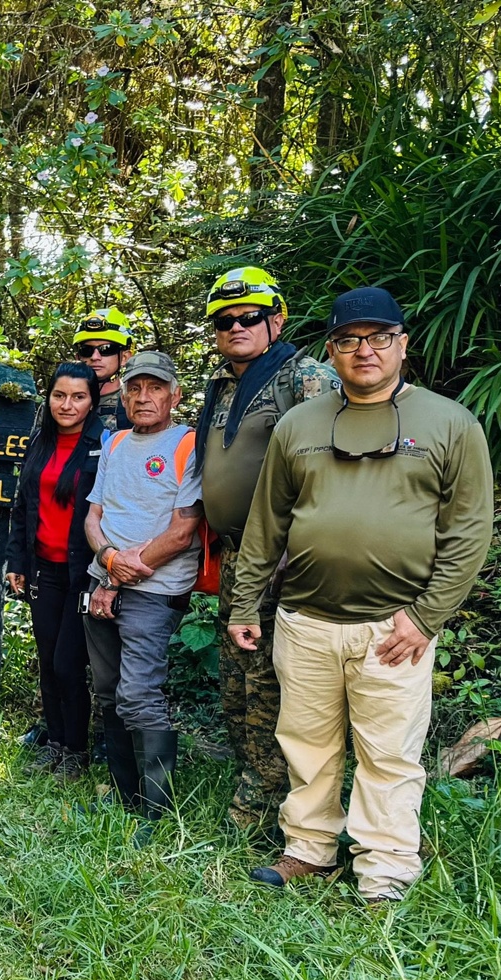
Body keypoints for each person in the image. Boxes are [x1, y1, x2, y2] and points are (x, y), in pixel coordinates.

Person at [229, 287, 494, 902]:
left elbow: (468, 531)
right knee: (307, 743)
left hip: (394, 630)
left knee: (389, 755)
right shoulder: (299, 424)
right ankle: (310, 851)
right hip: (305, 620)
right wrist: (245, 604)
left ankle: (385, 871)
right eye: (350, 340)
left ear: (403, 345)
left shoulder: (451, 423)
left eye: (379, 338)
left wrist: (426, 619)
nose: (364, 350)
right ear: (332, 351)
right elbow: (268, 523)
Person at [192, 267, 340, 832]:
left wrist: (293, 546)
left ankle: (262, 810)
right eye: (224, 320)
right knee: (236, 681)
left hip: (285, 561)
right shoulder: (223, 386)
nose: (236, 327)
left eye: (249, 316)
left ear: (276, 319)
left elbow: (329, 473)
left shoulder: (307, 379)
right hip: (236, 558)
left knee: (270, 686)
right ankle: (249, 783)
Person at [81, 351, 203, 827]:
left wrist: (120, 571)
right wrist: (109, 563)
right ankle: (124, 792)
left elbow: (182, 532)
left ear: (175, 394)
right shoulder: (113, 445)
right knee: (109, 689)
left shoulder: (188, 444)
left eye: (155, 388)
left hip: (156, 589)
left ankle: (156, 811)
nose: (143, 397)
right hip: (105, 579)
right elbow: (94, 516)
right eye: (135, 388)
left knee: (138, 693)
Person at [4, 362, 101, 779]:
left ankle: (77, 751)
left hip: (83, 572)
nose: (67, 404)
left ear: (92, 401)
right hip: (43, 568)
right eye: (59, 395)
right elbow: (23, 506)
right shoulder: (39, 442)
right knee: (47, 662)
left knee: (67, 664)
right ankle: (57, 744)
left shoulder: (104, 445)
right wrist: (17, 561)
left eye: (78, 396)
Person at [71, 309, 134, 434]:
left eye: (106, 349)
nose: (95, 357)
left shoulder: (136, 404)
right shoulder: (60, 404)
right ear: (78, 357)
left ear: (125, 357)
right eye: (87, 350)